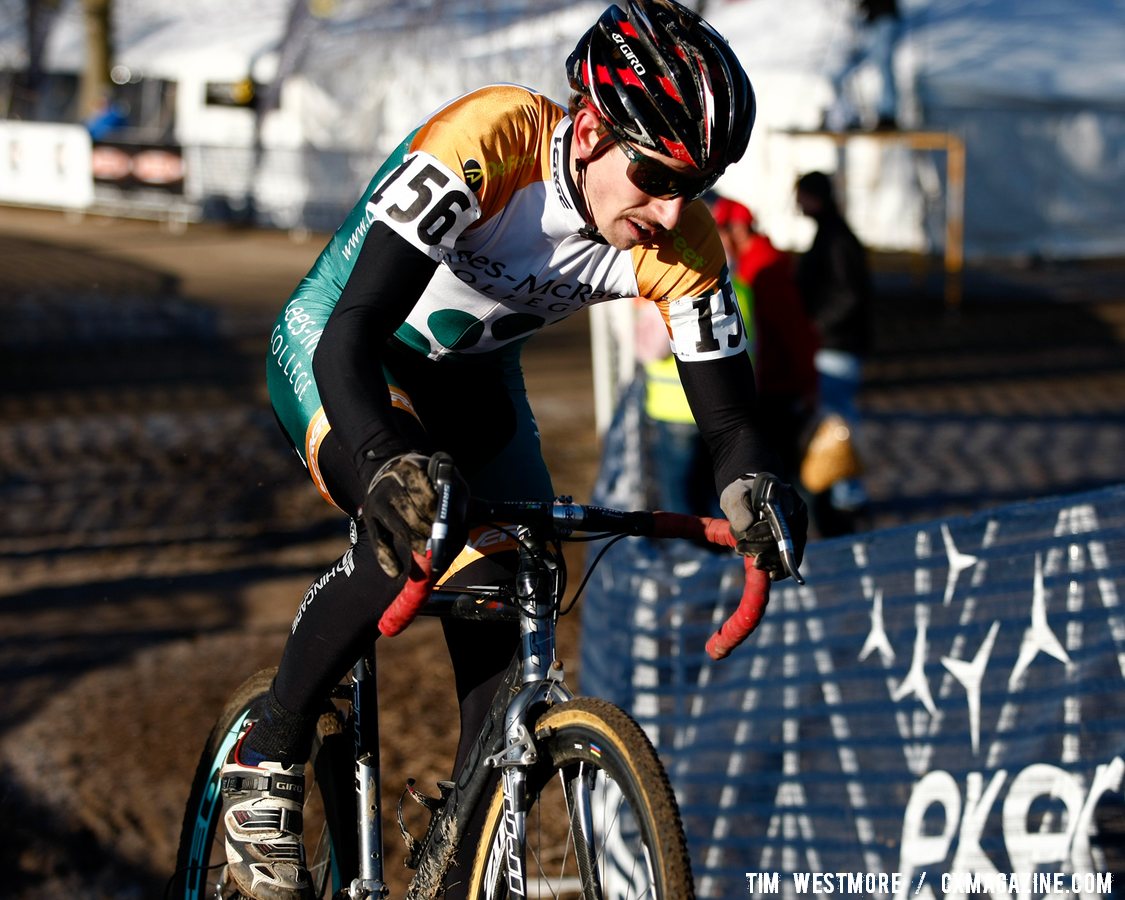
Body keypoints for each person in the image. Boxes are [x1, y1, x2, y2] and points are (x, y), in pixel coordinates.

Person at [217, 3, 808, 898]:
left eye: (698, 183)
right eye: (653, 175)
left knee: (510, 594)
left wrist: (755, 490)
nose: (671, 210)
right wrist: (385, 463)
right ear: (591, 129)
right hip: (345, 347)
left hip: (474, 389)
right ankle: (266, 758)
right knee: (413, 532)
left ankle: (454, 865)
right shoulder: (490, 141)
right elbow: (351, 330)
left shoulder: (681, 241)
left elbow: (731, 428)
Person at [794, 170, 872, 536]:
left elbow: (850, 294)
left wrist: (816, 326)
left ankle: (847, 493)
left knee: (838, 423)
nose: (797, 205)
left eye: (801, 197)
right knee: (837, 420)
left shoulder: (836, 240)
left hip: (837, 345)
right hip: (836, 343)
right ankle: (843, 490)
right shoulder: (832, 234)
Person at [822, 0, 901, 132]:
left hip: (883, 17)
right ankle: (848, 114)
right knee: (844, 69)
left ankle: (887, 114)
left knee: (883, 64)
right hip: (869, 20)